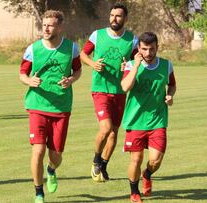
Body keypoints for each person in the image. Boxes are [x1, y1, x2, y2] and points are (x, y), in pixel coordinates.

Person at [19, 10, 82, 203]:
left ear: (59, 27)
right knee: (37, 151)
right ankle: (39, 192)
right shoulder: (33, 49)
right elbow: (22, 74)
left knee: (56, 156)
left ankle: (51, 170)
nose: (46, 28)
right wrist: (30, 81)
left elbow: (78, 70)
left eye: (50, 25)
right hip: (37, 105)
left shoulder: (71, 48)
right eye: (44, 24)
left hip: (61, 108)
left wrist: (71, 79)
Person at [80, 2, 138, 182]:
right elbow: (83, 54)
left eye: (118, 16)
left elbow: (138, 62)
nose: (114, 18)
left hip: (120, 92)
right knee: (105, 129)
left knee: (114, 133)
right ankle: (96, 160)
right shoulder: (98, 35)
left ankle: (103, 166)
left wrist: (127, 66)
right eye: (112, 15)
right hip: (100, 90)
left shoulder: (132, 39)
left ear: (125, 19)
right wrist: (92, 64)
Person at [121, 32, 176, 203]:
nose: (148, 53)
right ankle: (134, 192)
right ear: (139, 49)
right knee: (136, 159)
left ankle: (148, 174)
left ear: (157, 48)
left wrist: (169, 95)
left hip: (157, 120)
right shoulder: (130, 65)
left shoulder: (166, 65)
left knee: (155, 160)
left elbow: (172, 85)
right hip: (135, 121)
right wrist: (136, 66)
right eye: (144, 49)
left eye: (152, 49)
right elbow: (125, 87)